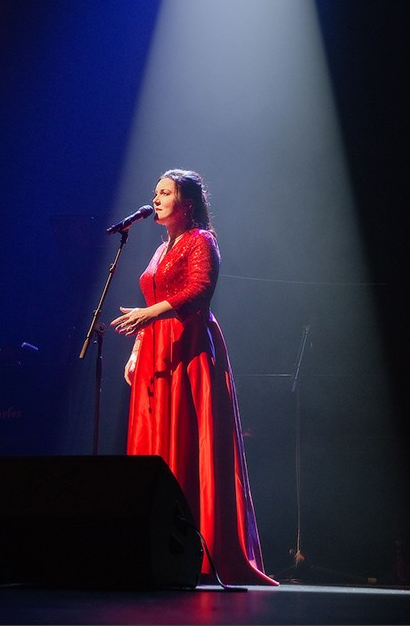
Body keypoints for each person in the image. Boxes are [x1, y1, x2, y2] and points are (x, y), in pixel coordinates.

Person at [111, 169, 278, 586]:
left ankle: (198, 550)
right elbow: (150, 299)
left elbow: (199, 291)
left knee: (187, 441)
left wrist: (149, 315)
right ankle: (151, 546)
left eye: (165, 192)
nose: (156, 199)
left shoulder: (201, 240)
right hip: (156, 351)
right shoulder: (160, 248)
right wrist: (137, 350)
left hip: (189, 349)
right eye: (155, 192)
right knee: (155, 443)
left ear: (186, 202)